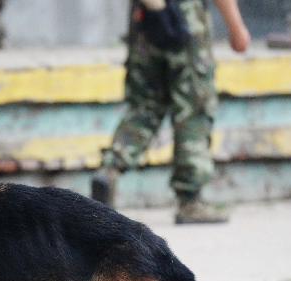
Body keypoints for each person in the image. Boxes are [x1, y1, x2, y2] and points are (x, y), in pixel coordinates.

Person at [91, 0, 251, 224]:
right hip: (185, 17)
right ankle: (190, 199)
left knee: (145, 105)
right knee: (193, 108)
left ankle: (110, 169)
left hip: (144, 17)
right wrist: (237, 28)